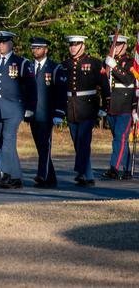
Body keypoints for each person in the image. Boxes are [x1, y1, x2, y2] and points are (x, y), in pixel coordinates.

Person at [54, 34, 109, 187]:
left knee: (83, 141)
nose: (72, 47)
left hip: (88, 107)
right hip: (71, 107)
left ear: (83, 45)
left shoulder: (94, 63)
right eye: (71, 45)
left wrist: (105, 106)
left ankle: (81, 171)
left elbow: (104, 86)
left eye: (76, 44)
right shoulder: (64, 65)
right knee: (77, 142)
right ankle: (87, 175)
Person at [0, 30, 32, 189]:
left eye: (4, 42)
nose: (0, 45)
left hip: (14, 109)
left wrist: (30, 107)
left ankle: (2, 172)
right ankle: (16, 177)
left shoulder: (21, 63)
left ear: (11, 44)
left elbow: (30, 87)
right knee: (3, 143)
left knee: (7, 139)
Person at [102, 34, 137, 180]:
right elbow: (104, 85)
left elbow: (129, 80)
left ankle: (114, 168)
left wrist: (115, 67)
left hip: (125, 106)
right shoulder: (108, 61)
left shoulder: (130, 63)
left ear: (125, 46)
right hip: (111, 107)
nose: (115, 47)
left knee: (119, 138)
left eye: (118, 44)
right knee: (120, 140)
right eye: (113, 44)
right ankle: (127, 169)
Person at [25, 37, 58, 187]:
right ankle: (51, 177)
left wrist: (59, 113)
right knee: (40, 146)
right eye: (33, 48)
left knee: (45, 145)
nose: (35, 51)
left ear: (46, 49)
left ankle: (42, 175)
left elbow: (60, 92)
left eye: (38, 48)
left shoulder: (54, 68)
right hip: (33, 114)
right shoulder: (29, 66)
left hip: (47, 114)